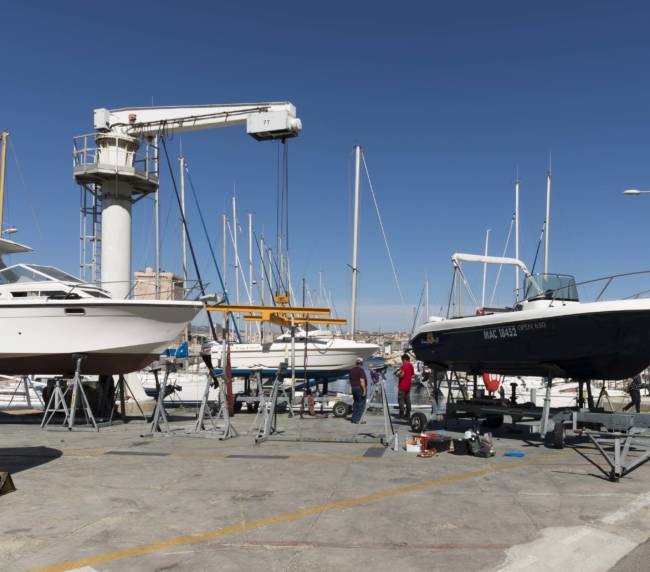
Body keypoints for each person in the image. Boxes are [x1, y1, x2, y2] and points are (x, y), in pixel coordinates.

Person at [349, 357, 367, 423]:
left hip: (353, 388)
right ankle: (358, 419)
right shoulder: (361, 370)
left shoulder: (352, 370)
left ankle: (354, 419)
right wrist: (364, 390)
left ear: (356, 363)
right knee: (361, 404)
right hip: (359, 388)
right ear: (362, 363)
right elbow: (362, 380)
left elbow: (350, 380)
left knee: (356, 403)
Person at [396, 353, 414, 419]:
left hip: (402, 385)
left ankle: (401, 413)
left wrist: (397, 375)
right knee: (407, 400)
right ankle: (408, 413)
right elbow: (412, 374)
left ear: (404, 359)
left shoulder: (404, 365)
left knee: (400, 400)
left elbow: (402, 375)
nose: (402, 361)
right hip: (408, 386)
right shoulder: (411, 365)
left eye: (402, 360)